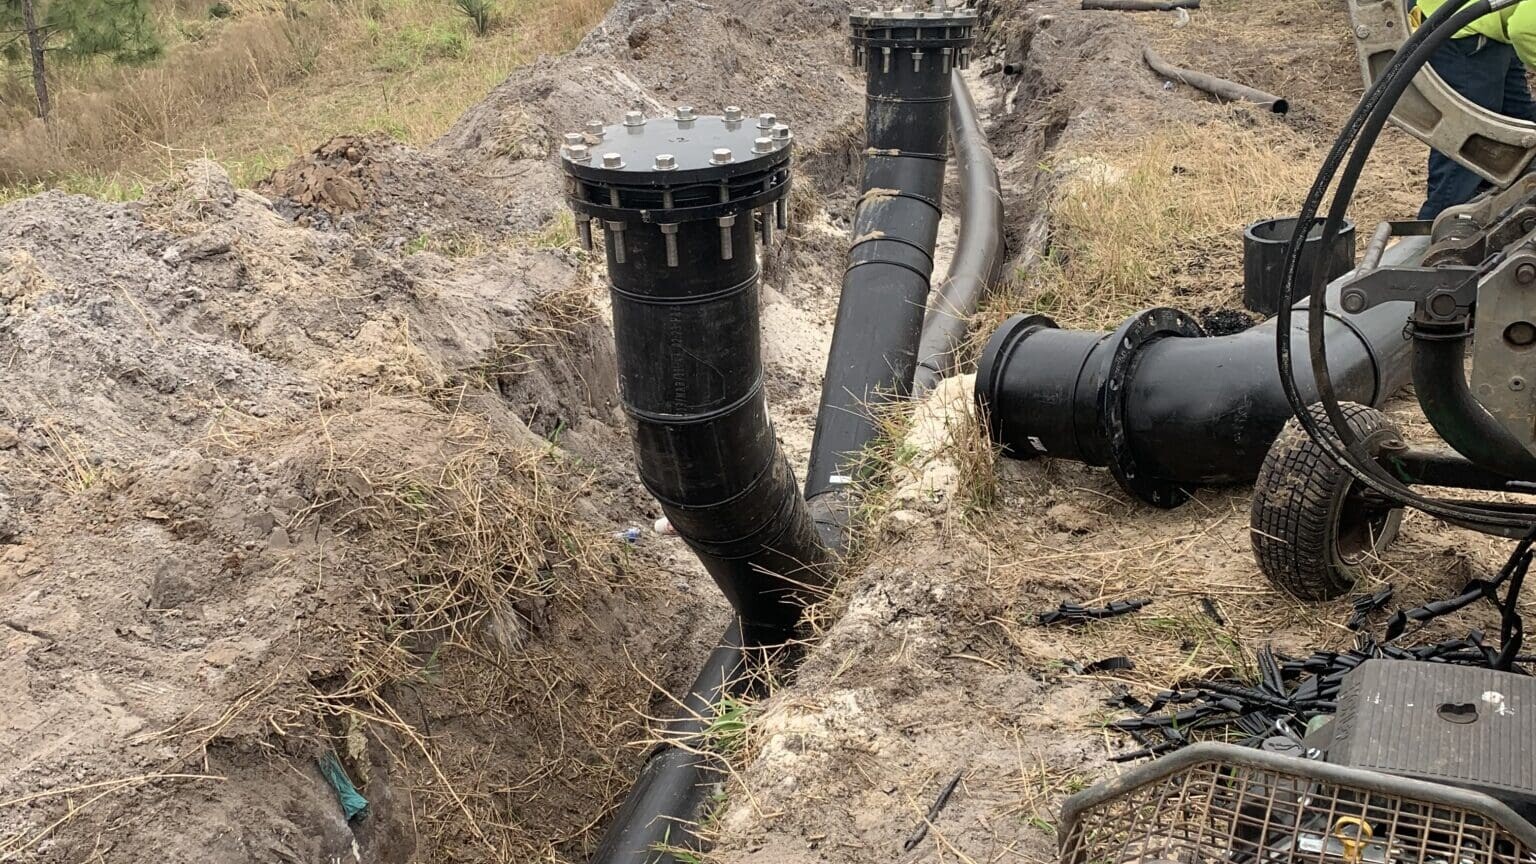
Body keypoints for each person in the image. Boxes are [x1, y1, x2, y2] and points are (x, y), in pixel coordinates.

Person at [1413, 0, 1536, 219]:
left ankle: (1502, 218)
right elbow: (1524, 29)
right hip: (1466, 32)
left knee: (1521, 129)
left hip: (1495, 29)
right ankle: (1436, 240)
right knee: (1468, 151)